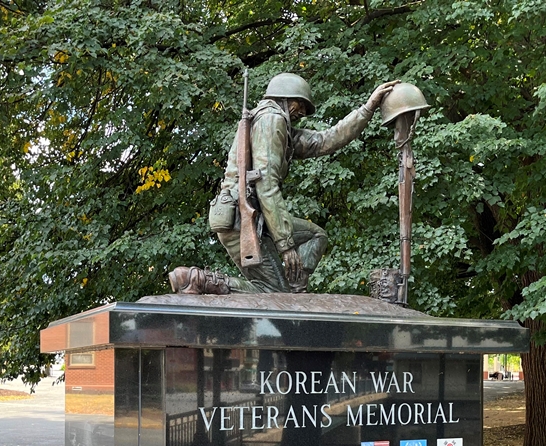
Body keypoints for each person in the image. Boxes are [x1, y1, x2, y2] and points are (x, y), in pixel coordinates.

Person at [169, 74, 399, 294]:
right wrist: (286, 245)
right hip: (242, 219)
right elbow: (265, 185)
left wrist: (367, 108)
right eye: (300, 105)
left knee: (314, 236)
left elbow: (325, 140)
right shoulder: (271, 121)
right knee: (273, 293)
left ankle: (295, 288)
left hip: (257, 218)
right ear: (285, 99)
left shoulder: (281, 126)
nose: (302, 113)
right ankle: (198, 280)